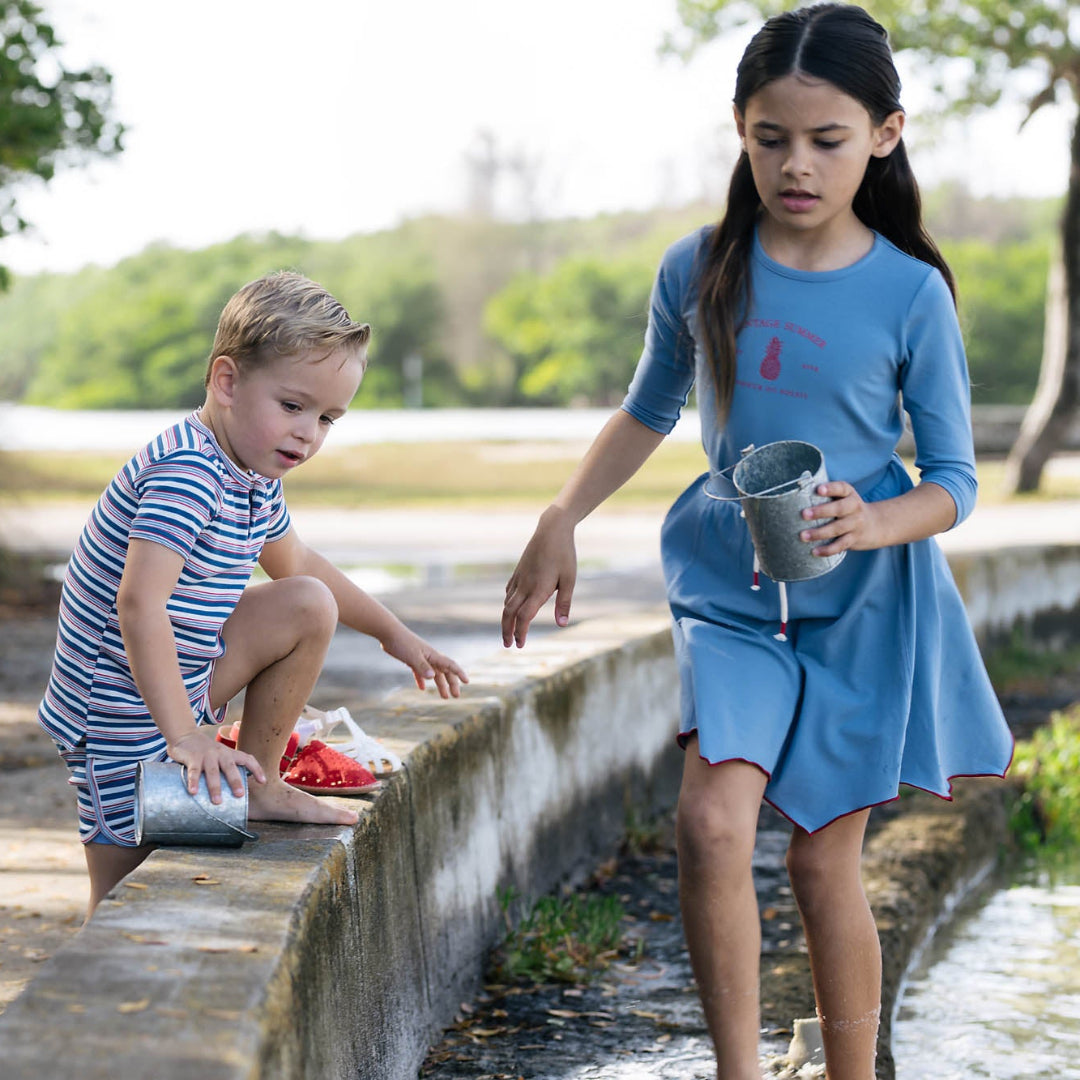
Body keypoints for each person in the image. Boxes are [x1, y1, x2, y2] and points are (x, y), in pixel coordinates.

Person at [500, 5, 1013, 1078]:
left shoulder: (913, 291)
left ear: (884, 133)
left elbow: (956, 482)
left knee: (827, 866)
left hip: (866, 599)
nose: (797, 165)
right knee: (712, 826)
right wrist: (561, 515)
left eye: (828, 140)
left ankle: (851, 1072)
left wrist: (875, 519)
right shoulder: (701, 267)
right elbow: (650, 408)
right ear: (740, 127)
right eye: (771, 136)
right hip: (732, 587)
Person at [37, 271, 467, 920]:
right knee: (128, 889)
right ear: (227, 382)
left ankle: (259, 784)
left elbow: (301, 566)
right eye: (293, 407)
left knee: (306, 601)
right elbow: (138, 604)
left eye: (327, 418)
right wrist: (184, 736)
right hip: (116, 706)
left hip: (182, 678)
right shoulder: (187, 472)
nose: (308, 434)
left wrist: (394, 634)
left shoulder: (254, 472)